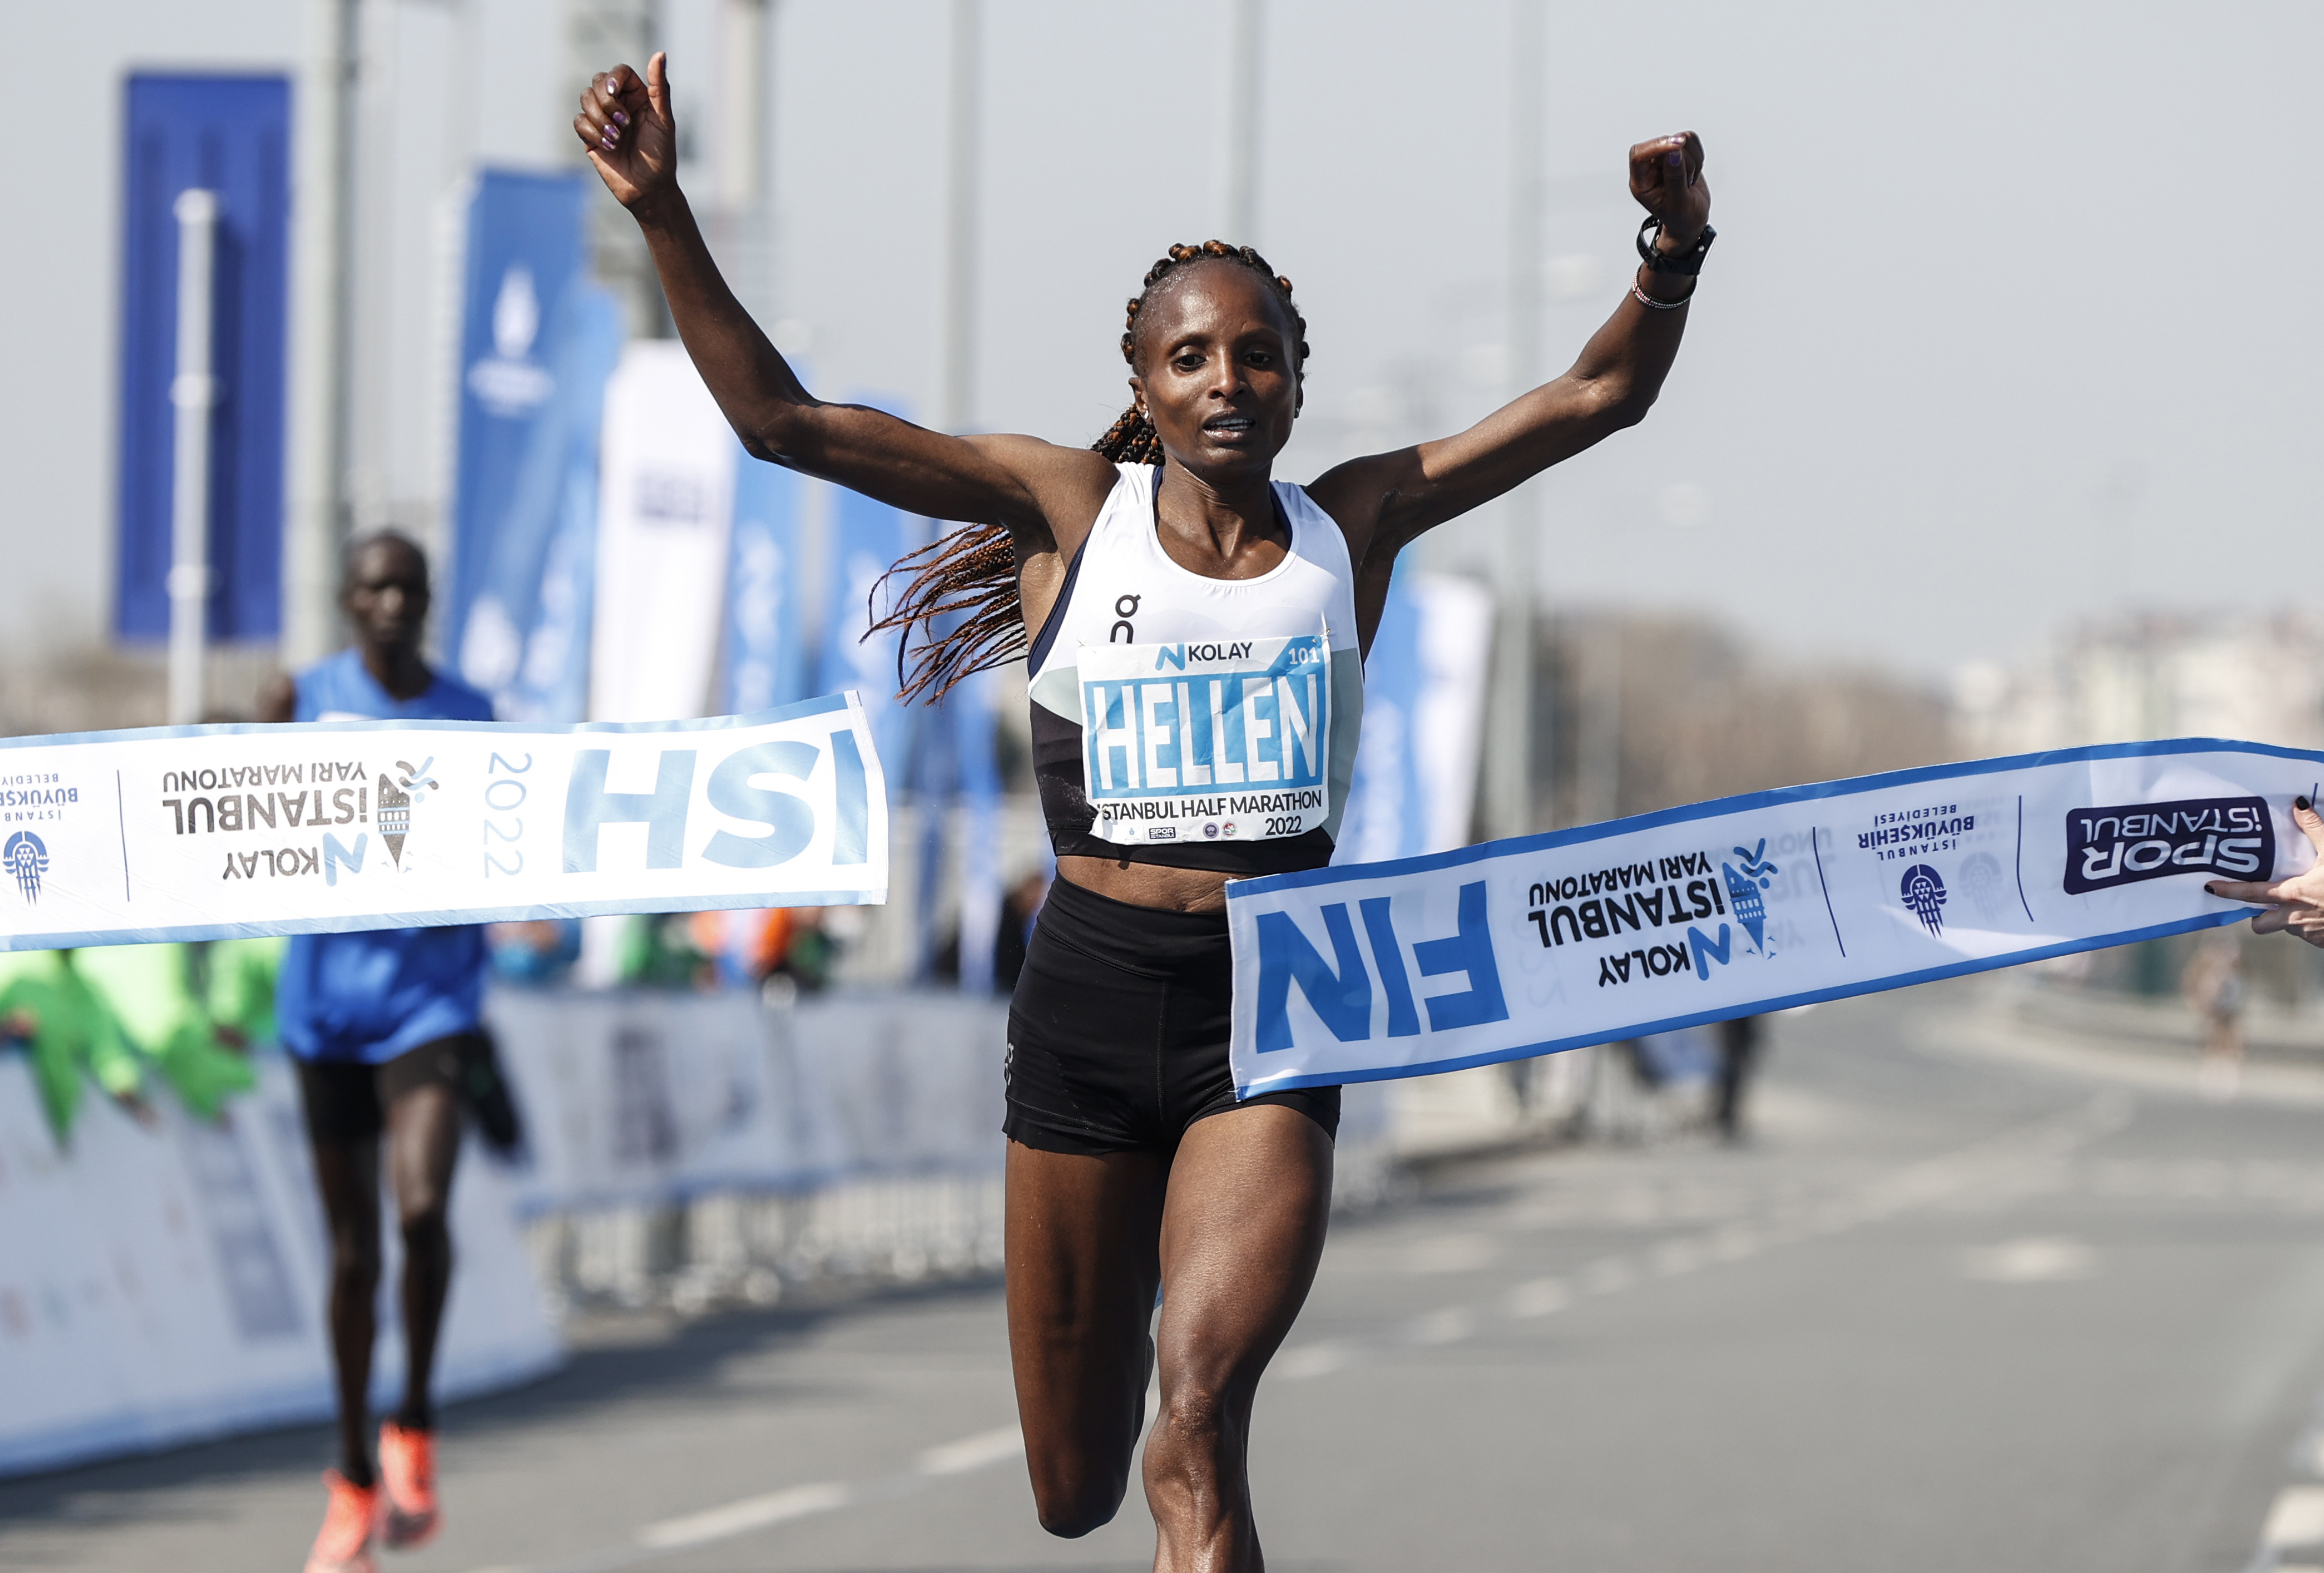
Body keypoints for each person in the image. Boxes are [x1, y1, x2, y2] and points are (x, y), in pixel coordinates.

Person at [576, 55, 1709, 1567]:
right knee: (1072, 1486)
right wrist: (663, 210)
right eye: (1190, 359)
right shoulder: (1064, 513)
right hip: (1087, 1006)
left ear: (1298, 377)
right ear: (1142, 387)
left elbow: (1597, 395)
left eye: (1256, 356)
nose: (1225, 382)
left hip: (1277, 1005)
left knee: (1195, 1425)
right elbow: (784, 423)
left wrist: (1669, 254)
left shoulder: (1354, 523)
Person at [256, 532, 492, 1573]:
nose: (392, 601)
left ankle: (414, 1422)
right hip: (324, 1011)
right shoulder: (298, 694)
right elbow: (225, 821)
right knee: (353, 1254)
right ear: (348, 600)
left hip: (430, 1003)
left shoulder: (472, 713)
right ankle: (352, 1473)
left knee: (423, 1211)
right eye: (374, 586)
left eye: (409, 586)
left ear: (428, 602)